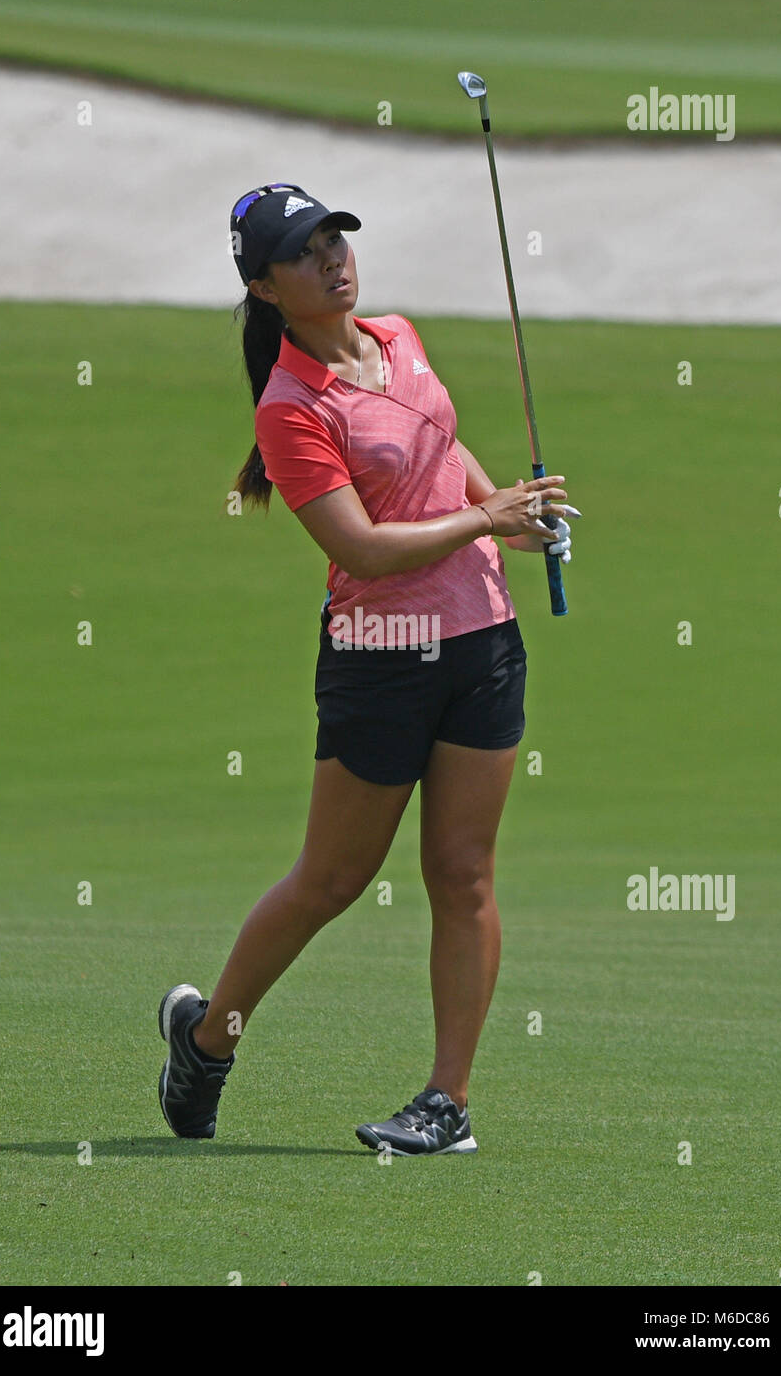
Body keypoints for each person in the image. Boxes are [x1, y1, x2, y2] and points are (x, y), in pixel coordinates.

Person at [158, 182, 578, 1156]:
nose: (333, 257)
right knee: (334, 879)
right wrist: (488, 518)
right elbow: (367, 546)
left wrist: (504, 507)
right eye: (304, 252)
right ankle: (208, 1039)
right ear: (264, 287)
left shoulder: (399, 335)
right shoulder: (290, 409)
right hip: (379, 658)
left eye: (335, 236)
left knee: (464, 872)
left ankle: (448, 1102)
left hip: (483, 641)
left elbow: (439, 435)